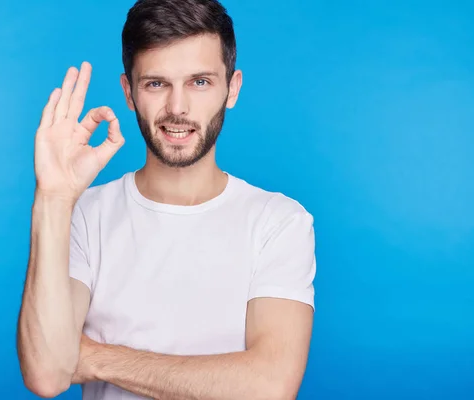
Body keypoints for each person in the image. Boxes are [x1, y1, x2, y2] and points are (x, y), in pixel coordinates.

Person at [16, 0, 317, 399]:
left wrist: (94, 357)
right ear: (129, 92)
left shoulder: (278, 222)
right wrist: (53, 198)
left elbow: (268, 387)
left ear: (232, 87)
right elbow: (47, 374)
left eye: (200, 82)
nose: (177, 108)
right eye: (156, 83)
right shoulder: (84, 215)